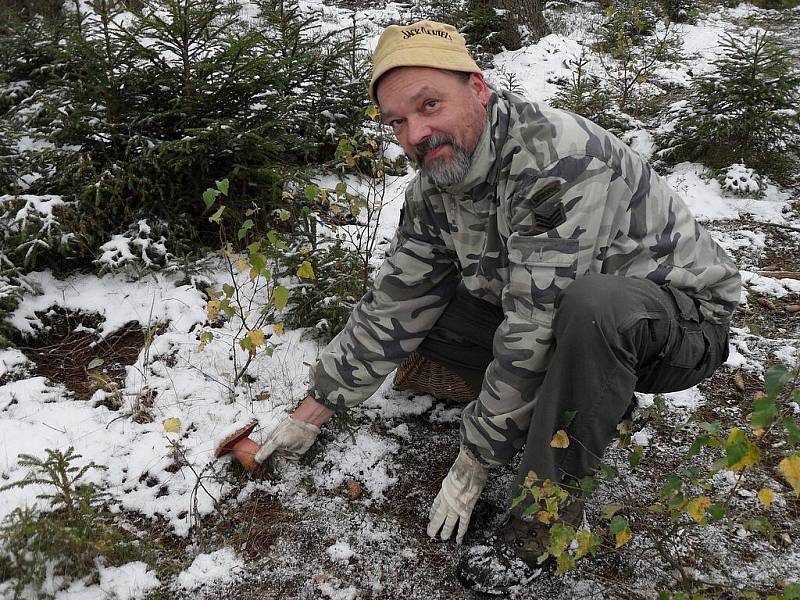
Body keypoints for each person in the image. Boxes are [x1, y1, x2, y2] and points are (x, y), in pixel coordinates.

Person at [227, 20, 741, 594]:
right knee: (432, 308)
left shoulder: (555, 162)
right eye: (398, 121)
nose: (417, 132)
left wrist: (476, 457)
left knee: (594, 306)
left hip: (678, 323)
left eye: (429, 104)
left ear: (478, 88)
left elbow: (535, 321)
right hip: (567, 318)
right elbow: (398, 298)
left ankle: (540, 522)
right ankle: (581, 401)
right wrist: (312, 411)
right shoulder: (435, 184)